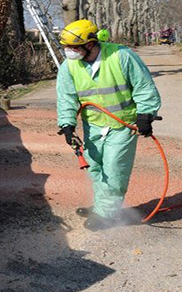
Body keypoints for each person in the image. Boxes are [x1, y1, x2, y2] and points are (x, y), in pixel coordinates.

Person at [56, 19, 161, 231]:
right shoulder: (69, 66)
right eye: (66, 47)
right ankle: (101, 207)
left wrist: (146, 114)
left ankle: (107, 215)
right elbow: (66, 97)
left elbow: (144, 86)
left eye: (73, 47)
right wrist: (67, 124)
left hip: (123, 125)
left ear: (90, 44)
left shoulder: (121, 56)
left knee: (114, 170)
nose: (69, 51)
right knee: (95, 168)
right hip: (93, 125)